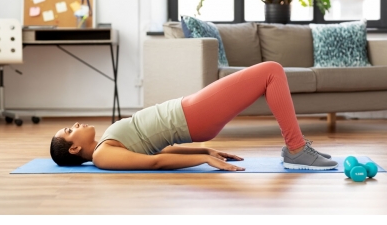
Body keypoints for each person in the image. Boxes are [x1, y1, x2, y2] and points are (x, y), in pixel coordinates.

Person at [50, 61, 338, 171]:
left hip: (190, 111)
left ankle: (296, 147)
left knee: (269, 75)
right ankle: (297, 149)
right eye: (68, 130)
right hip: (192, 114)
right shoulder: (102, 156)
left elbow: (157, 145)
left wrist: (205, 149)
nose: (75, 125)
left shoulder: (107, 143)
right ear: (74, 148)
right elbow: (155, 161)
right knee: (271, 71)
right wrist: (201, 159)